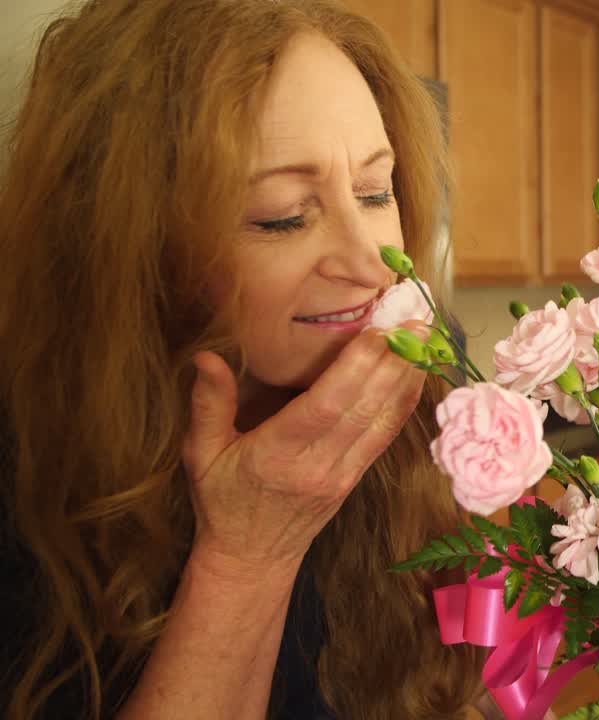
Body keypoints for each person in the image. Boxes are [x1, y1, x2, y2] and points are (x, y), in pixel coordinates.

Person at [0, 1, 505, 717]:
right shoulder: (30, 482)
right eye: (281, 216)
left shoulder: (412, 419)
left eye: (373, 191)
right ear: (137, 252)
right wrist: (248, 556)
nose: (370, 264)